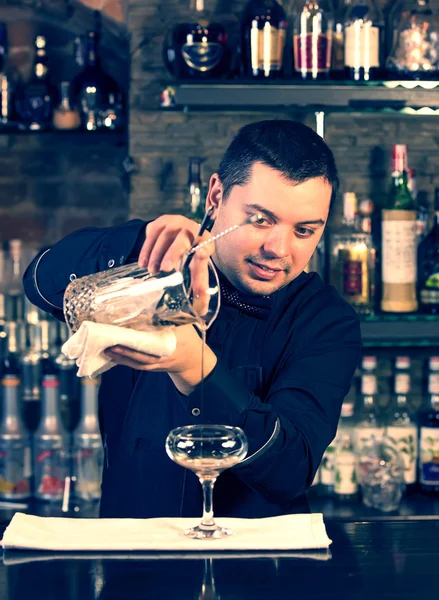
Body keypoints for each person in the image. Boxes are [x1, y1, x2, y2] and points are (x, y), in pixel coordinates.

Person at [23, 120, 362, 519]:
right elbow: (40, 282)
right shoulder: (150, 272)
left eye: (304, 230)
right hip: (129, 557)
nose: (279, 248)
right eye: (260, 220)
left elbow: (290, 470)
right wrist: (144, 242)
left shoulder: (326, 320)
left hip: (258, 570)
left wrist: (195, 369)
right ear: (216, 197)